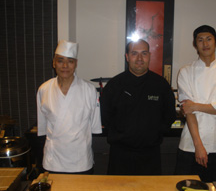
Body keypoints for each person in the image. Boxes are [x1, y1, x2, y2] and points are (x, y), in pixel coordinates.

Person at [100, 39, 176, 175]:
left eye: (144, 53)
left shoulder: (160, 85)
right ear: (127, 57)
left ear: (150, 56)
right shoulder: (114, 85)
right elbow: (105, 117)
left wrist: (152, 134)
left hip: (150, 155)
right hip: (120, 155)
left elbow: (169, 116)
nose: (140, 58)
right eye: (134, 53)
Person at [175, 25, 216, 182]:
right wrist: (199, 146)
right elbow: (187, 111)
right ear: (195, 44)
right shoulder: (186, 71)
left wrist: (196, 106)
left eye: (209, 39)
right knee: (186, 187)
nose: (205, 44)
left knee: (214, 186)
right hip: (191, 145)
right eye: (200, 40)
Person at [37, 40, 102, 174]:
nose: (65, 66)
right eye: (60, 61)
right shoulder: (44, 89)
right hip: (53, 161)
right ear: (54, 63)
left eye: (70, 61)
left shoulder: (89, 90)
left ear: (76, 64)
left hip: (80, 161)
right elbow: (42, 127)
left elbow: (95, 126)